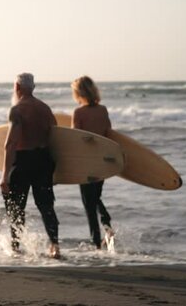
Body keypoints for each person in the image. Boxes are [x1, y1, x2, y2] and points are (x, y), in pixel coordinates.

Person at [0, 73, 60, 258]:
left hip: (23, 161)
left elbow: (10, 144)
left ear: (17, 87)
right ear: (33, 88)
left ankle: (16, 247)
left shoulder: (17, 110)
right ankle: (55, 245)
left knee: (16, 206)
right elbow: (56, 137)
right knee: (46, 205)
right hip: (44, 160)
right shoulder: (45, 108)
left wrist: (4, 175)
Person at [70, 75, 115, 250]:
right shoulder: (102, 110)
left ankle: (96, 244)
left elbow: (74, 139)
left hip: (85, 162)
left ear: (78, 92)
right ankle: (107, 226)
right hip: (101, 160)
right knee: (95, 197)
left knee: (89, 203)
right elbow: (108, 133)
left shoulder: (79, 112)